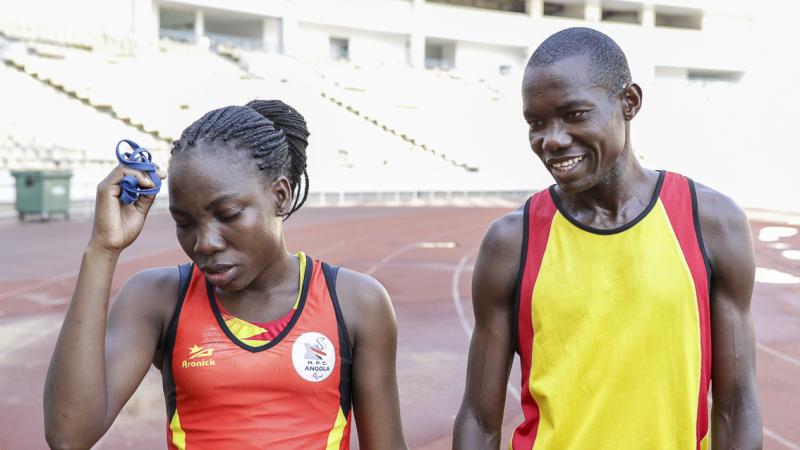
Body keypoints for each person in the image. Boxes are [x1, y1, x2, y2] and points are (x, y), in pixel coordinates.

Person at [453, 27, 761, 449]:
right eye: (535, 122)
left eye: (574, 114)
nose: (552, 140)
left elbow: (736, 403)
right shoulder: (512, 243)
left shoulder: (711, 222)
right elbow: (478, 417)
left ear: (629, 102)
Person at [44, 100, 408, 449]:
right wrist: (102, 251)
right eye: (184, 223)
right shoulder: (158, 299)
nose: (205, 243)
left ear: (280, 195)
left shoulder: (356, 302)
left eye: (229, 214)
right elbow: (69, 436)